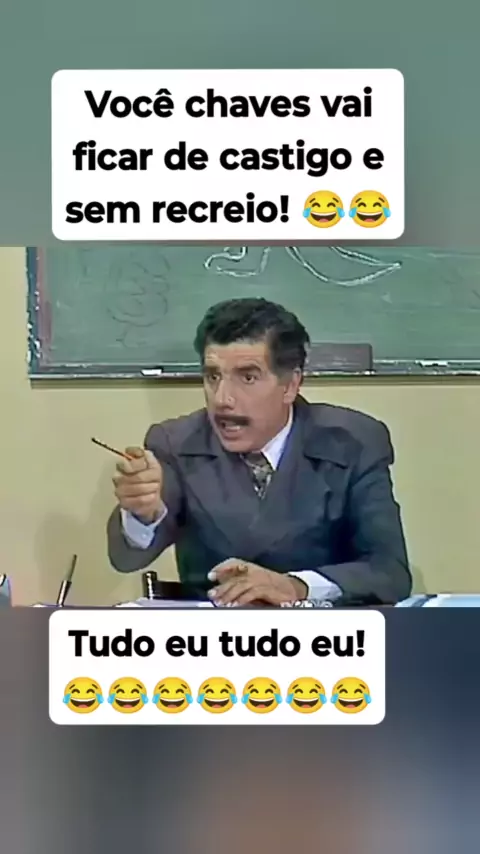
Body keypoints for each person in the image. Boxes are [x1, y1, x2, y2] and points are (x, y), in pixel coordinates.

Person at [107, 298, 411, 605]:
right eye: (213, 376)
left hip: (327, 632)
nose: (222, 399)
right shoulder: (175, 443)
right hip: (215, 631)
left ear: (290, 385)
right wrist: (142, 514)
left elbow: (389, 572)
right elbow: (127, 559)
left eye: (248, 377)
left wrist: (296, 586)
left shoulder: (354, 442)